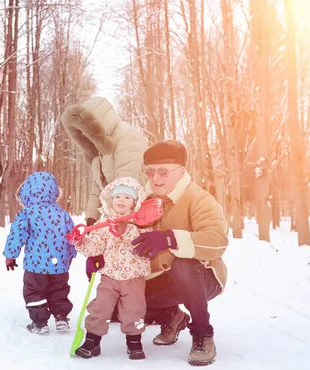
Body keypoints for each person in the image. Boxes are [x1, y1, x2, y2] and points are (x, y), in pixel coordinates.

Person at [130, 140, 228, 366]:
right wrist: (101, 254)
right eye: (150, 172)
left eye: (163, 172)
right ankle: (172, 316)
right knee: (121, 297)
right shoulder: (142, 201)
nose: (156, 178)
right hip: (160, 277)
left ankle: (203, 333)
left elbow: (217, 240)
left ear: (180, 171)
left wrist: (169, 238)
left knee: (183, 264)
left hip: (202, 277)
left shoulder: (198, 198)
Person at [61, 96, 148, 322]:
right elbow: (96, 190)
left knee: (133, 270)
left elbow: (126, 190)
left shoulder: (127, 138)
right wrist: (91, 222)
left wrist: (102, 234)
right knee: (115, 268)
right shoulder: (99, 154)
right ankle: (119, 306)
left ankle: (163, 312)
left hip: (134, 218)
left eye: (89, 130)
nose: (86, 136)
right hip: (113, 219)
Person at [73, 177, 151, 360]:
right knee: (100, 307)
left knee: (134, 310)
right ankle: (92, 341)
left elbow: (142, 241)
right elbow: (94, 247)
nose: (121, 201)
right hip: (109, 276)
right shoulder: (103, 225)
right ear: (111, 200)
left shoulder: (140, 223)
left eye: (127, 197)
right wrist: (79, 241)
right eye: (118, 197)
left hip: (134, 277)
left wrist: (124, 228)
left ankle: (134, 342)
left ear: (135, 202)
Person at [3, 171, 77, 335]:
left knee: (35, 290)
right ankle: (61, 317)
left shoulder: (27, 213)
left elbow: (17, 235)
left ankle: (39, 322)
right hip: (60, 264)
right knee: (59, 289)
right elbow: (72, 235)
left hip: (36, 265)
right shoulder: (62, 214)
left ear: (27, 192)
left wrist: (10, 255)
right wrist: (71, 254)